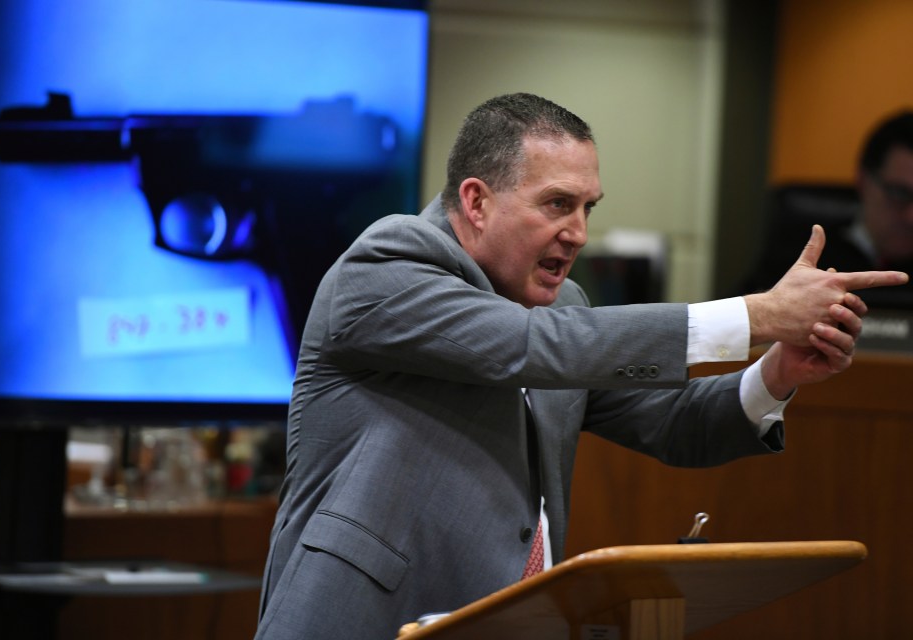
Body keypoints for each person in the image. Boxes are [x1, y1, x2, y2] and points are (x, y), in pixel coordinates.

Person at [254, 93, 907, 640]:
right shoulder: (387, 266)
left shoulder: (562, 309)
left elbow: (675, 422)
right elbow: (533, 345)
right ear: (477, 202)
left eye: (588, 207)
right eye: (557, 204)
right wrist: (755, 315)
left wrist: (778, 371)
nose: (579, 233)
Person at [740, 109, 913, 307]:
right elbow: (746, 323)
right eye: (900, 193)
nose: (911, 216)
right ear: (864, 180)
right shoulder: (800, 258)